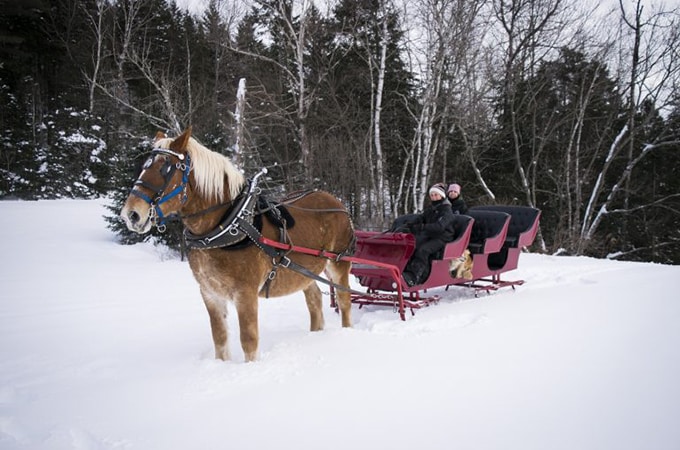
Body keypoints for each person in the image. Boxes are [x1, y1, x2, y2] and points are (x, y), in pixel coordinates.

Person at [401, 183, 456, 287]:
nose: (434, 197)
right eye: (432, 195)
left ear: (442, 196)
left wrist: (422, 227)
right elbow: (421, 217)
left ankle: (415, 277)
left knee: (423, 250)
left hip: (443, 237)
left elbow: (439, 227)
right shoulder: (432, 208)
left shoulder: (447, 210)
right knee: (412, 246)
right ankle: (404, 272)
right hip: (430, 235)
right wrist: (410, 225)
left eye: (436, 195)